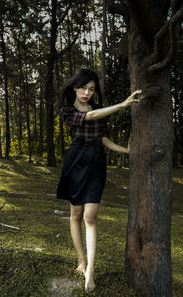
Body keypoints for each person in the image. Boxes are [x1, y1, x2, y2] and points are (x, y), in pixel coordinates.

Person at [57, 68, 141, 292]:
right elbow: (90, 117)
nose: (87, 93)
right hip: (76, 162)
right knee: (75, 214)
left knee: (90, 216)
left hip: (96, 164)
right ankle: (81, 260)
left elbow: (103, 138)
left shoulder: (97, 109)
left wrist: (125, 150)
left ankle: (90, 272)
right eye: (83, 88)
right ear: (75, 88)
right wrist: (122, 105)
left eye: (91, 89)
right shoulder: (67, 110)